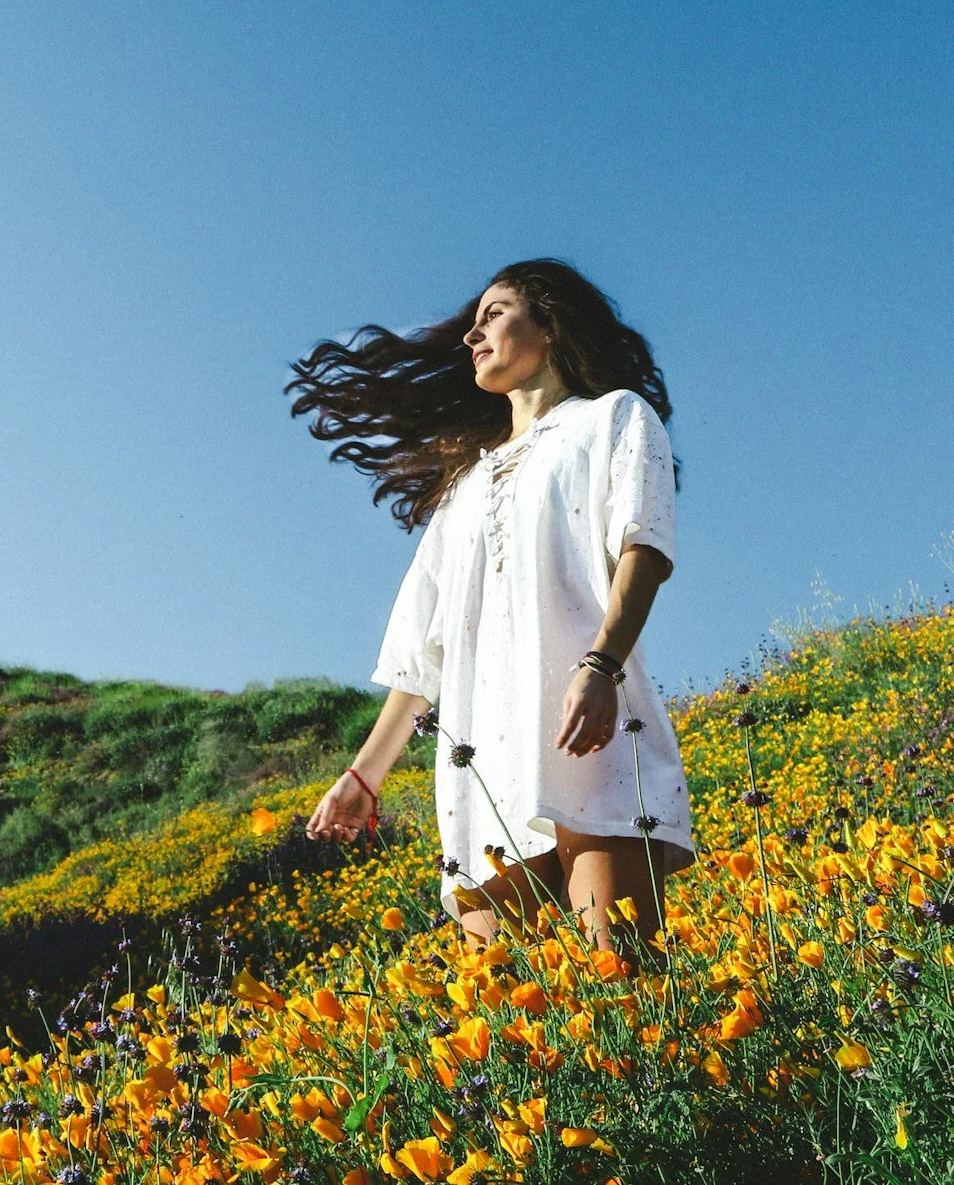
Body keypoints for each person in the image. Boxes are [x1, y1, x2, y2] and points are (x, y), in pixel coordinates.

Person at [290, 259, 695, 951]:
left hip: (591, 730)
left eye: (495, 312)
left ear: (551, 323)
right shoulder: (464, 488)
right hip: (482, 764)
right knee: (505, 1021)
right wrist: (364, 775)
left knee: (622, 985)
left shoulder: (614, 418)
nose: (472, 333)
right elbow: (425, 651)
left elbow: (644, 546)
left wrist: (601, 664)